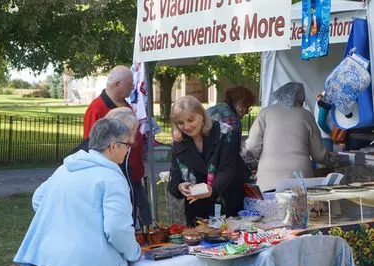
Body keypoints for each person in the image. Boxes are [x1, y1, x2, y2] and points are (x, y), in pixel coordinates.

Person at [13, 118, 141, 266]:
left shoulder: (66, 168)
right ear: (113, 146)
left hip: (50, 257)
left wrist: (66, 223)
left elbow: (38, 200)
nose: (127, 149)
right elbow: (117, 228)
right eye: (126, 144)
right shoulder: (112, 178)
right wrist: (134, 252)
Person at [83, 66, 151, 229]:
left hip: (133, 173)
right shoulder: (97, 109)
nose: (132, 88)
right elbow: (92, 145)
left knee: (142, 217)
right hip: (116, 175)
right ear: (117, 84)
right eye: (129, 85)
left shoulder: (125, 105)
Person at [168, 96, 246, 226]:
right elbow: (174, 179)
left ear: (202, 115)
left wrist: (212, 189)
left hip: (229, 204)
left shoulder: (225, 133)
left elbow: (228, 169)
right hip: (197, 212)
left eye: (190, 120)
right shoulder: (179, 143)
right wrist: (180, 187)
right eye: (180, 123)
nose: (186, 126)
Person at [72, 107, 152, 228]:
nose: (132, 140)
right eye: (130, 134)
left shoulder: (117, 157)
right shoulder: (98, 161)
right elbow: (115, 228)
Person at [244, 82, 330, 192]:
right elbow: (318, 154)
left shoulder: (266, 112)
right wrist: (329, 159)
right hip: (300, 178)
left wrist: (258, 157)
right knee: (299, 209)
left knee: (271, 208)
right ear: (301, 99)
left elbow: (252, 146)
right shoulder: (307, 115)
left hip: (269, 178)